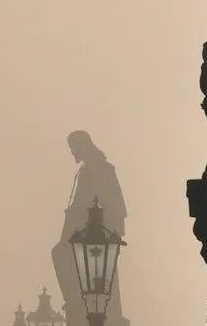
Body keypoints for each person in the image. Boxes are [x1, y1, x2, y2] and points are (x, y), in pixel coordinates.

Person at [52, 131, 127, 326]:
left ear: (82, 146)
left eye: (73, 148)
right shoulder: (90, 169)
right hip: (87, 231)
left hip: (95, 234)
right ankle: (76, 300)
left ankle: (76, 301)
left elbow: (113, 204)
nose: (72, 152)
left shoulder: (101, 169)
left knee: (63, 254)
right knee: (62, 254)